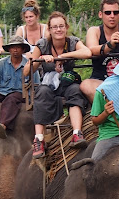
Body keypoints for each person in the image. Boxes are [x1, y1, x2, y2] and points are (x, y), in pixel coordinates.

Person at [23, 11, 92, 159]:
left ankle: (77, 133)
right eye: (55, 27)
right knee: (41, 92)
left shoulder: (72, 41)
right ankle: (39, 139)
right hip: (48, 83)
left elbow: (87, 53)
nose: (58, 29)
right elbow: (27, 71)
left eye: (61, 26)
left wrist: (63, 56)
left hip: (67, 82)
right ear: (49, 29)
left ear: (66, 27)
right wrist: (40, 58)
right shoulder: (43, 44)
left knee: (75, 89)